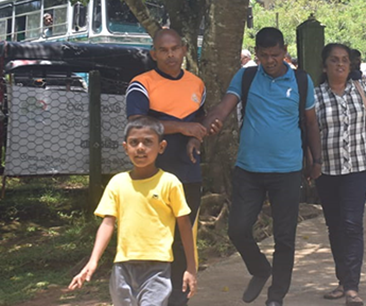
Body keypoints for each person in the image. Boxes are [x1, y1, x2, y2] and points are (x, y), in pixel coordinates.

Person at [203, 27, 322, 306]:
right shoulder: (246, 76)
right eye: (264, 55)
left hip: (288, 171)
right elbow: (225, 107)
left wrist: (316, 161)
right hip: (249, 169)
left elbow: (311, 122)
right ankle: (259, 269)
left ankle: (276, 296)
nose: (270, 61)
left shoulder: (302, 81)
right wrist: (208, 124)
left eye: (275, 55)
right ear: (256, 54)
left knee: (284, 237)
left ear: (285, 52)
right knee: (238, 229)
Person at [69, 116, 197, 305]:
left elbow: (184, 225)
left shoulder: (170, 183)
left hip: (158, 267)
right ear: (125, 147)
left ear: (161, 147)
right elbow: (107, 223)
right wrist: (93, 261)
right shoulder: (117, 183)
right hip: (123, 267)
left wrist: (191, 267)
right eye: (134, 142)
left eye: (148, 142)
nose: (140, 148)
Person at [125, 29, 207, 306]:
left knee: (182, 242)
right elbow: (137, 124)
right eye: (163, 50)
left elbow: (201, 122)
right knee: (154, 241)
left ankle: (177, 300)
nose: (170, 55)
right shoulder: (142, 84)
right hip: (153, 177)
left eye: (175, 49)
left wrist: (195, 137)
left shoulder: (197, 85)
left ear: (184, 50)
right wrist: (182, 127)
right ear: (154, 54)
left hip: (188, 174)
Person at [314, 43, 366, 306]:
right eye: (334, 60)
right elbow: (306, 130)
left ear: (350, 65)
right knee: (335, 227)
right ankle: (342, 280)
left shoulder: (361, 92)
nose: (340, 65)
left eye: (344, 60)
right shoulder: (314, 96)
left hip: (356, 169)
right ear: (325, 66)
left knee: (352, 225)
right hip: (327, 171)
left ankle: (352, 287)